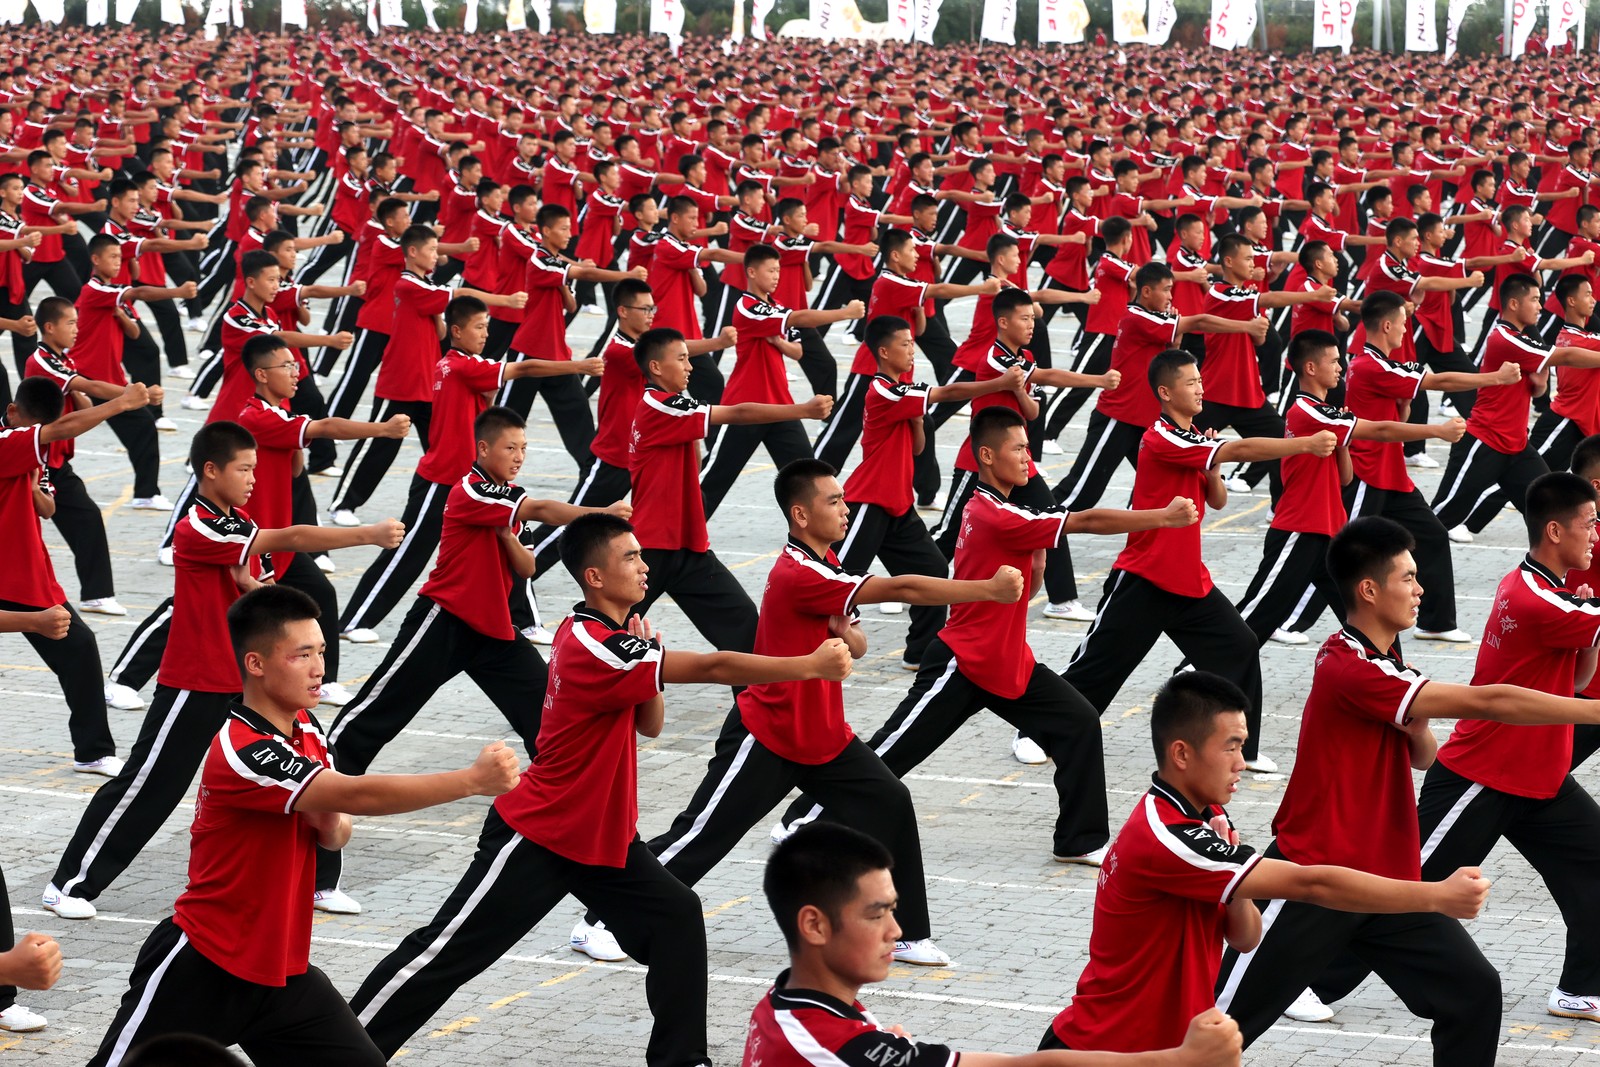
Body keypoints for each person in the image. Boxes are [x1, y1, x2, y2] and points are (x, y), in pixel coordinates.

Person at [348, 513, 854, 1066]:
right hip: (542, 832)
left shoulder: (615, 639)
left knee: (676, 918)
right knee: (445, 955)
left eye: (642, 555)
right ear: (593, 576)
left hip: (602, 838)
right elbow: (713, 665)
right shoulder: (592, 642)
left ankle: (682, 1060)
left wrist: (648, 663)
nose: (645, 566)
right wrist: (805, 666)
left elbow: (650, 724)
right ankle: (341, 1053)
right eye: (631, 558)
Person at [571, 457, 1026, 966]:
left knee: (891, 801)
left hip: (822, 735)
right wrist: (985, 590)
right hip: (766, 731)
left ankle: (907, 934)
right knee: (703, 835)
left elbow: (854, 640)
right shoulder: (798, 571)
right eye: (833, 501)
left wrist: (845, 636)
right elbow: (902, 588)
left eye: (843, 499)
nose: (846, 509)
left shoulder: (826, 567)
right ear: (801, 515)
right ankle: (601, 918)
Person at [1213, 516, 1600, 1063]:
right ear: (1369, 589)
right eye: (1409, 578)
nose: (1422, 590)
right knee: (1214, 1029)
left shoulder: (1389, 664)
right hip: (1315, 879)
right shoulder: (1350, 663)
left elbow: (1423, 755)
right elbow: (1490, 701)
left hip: (1382, 882)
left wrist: (1417, 721)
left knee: (1472, 993)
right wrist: (1592, 710)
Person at [86, 584, 522, 1067]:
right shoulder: (243, 748)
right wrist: (470, 781)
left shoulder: (308, 730)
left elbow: (337, 831)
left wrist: (327, 815)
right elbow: (358, 795)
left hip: (282, 973)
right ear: (256, 664)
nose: (319, 668)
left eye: (322, 652)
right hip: (205, 965)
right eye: (301, 655)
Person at [775, 406, 1197, 864]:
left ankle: (1080, 840)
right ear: (987, 456)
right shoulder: (994, 513)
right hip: (963, 661)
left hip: (1008, 661)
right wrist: (1160, 517)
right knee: (896, 747)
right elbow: (1086, 520)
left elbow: (1026, 589)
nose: (1027, 458)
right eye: (1018, 449)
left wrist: (1034, 568)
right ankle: (803, 817)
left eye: (1029, 449)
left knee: (1077, 721)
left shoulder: (1004, 508)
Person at [44, 419, 404, 921]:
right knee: (151, 786)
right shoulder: (200, 525)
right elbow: (294, 534)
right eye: (244, 468)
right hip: (196, 680)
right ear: (210, 471)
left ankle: (322, 883)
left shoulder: (235, 521)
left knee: (313, 770)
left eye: (255, 468)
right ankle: (70, 883)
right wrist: (366, 534)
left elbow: (246, 580)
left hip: (249, 683)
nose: (253, 478)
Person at [1042, 669, 1492, 1057]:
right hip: (1099, 1048)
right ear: (1182, 753)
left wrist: (1235, 892)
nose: (1242, 763)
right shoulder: (1169, 835)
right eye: (1231, 747)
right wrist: (1434, 895)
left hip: (1161, 1049)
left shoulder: (1205, 818)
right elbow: (1312, 886)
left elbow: (1245, 936)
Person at [1309, 471, 1600, 1022]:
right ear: (1556, 531)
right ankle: (1310, 980)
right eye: (1591, 523)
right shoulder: (1537, 597)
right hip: (1481, 777)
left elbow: (1583, 675)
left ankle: (1581, 987)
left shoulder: (1553, 593)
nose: (1597, 533)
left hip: (1537, 777)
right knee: (1404, 885)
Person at [315, 406, 625, 910]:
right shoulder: (474, 489)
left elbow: (525, 566)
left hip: (494, 632)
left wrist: (507, 532)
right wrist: (600, 516)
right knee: (366, 725)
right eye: (510, 449)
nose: (519, 457)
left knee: (554, 724)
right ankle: (317, 861)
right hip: (444, 622)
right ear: (483, 450)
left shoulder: (506, 505)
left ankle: (551, 834)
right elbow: (545, 509)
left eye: (524, 449)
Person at [748, 820, 1245, 1067]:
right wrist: (1176, 1060)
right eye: (876, 913)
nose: (896, 931)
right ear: (813, 925)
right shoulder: (837, 1047)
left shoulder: (777, 1008)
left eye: (893, 909)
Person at [1062, 348, 1337, 772]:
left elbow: (1219, 499)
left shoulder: (1193, 439)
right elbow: (1242, 450)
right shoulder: (1161, 435)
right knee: (1100, 666)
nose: (1200, 389)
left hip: (1188, 581)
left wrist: (1210, 467)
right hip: (1144, 577)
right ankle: (1042, 730)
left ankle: (1241, 747)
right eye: (1191, 383)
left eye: (1200, 381)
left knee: (1241, 646)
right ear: (1165, 392)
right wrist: (1303, 444)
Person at [2, 376, 150, 776]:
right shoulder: (6, 442)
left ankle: (92, 751)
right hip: (10, 573)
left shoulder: (33, 453)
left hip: (24, 576)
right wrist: (121, 402)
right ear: (11, 412)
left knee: (81, 649)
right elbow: (63, 427)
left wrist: (32, 488)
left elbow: (48, 508)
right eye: (36, 430)